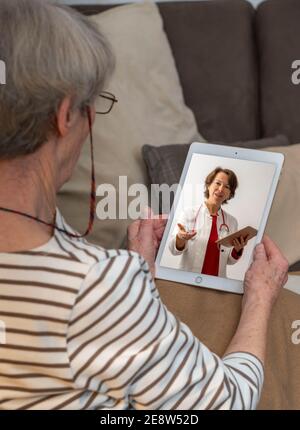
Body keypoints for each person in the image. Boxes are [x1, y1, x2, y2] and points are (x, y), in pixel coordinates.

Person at [0, 0, 289, 410]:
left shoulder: (64, 246)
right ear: (65, 115)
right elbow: (228, 403)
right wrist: (260, 297)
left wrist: (138, 285)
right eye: (91, 106)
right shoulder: (97, 286)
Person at [169, 167, 249, 277]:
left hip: (217, 283)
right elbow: (174, 250)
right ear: (209, 184)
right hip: (188, 279)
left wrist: (237, 249)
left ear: (230, 194)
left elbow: (229, 260)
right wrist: (180, 238)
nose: (221, 189)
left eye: (227, 187)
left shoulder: (232, 222)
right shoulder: (188, 213)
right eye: (218, 183)